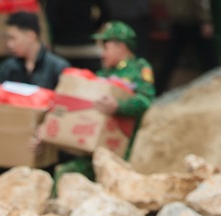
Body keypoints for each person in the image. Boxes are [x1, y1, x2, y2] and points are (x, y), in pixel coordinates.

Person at [54, 21, 155, 183]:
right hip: (97, 146)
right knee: (66, 173)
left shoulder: (139, 69)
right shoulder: (101, 74)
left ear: (120, 47)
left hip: (128, 146)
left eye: (105, 48)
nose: (101, 54)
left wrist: (118, 106)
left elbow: (145, 101)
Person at [0, 11, 70, 163]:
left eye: (13, 38)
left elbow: (67, 110)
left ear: (30, 36)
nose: (9, 44)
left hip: (49, 155)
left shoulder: (58, 68)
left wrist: (47, 131)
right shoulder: (8, 68)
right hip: (11, 153)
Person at [158, 0, 218, 94]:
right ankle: (218, 86)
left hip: (178, 21)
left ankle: (158, 90)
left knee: (169, 61)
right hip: (194, 22)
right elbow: (201, 2)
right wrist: (205, 20)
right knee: (209, 60)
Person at [45, 0, 106, 71]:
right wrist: (93, 28)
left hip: (62, 48)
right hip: (88, 46)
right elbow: (105, 13)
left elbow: (51, 16)